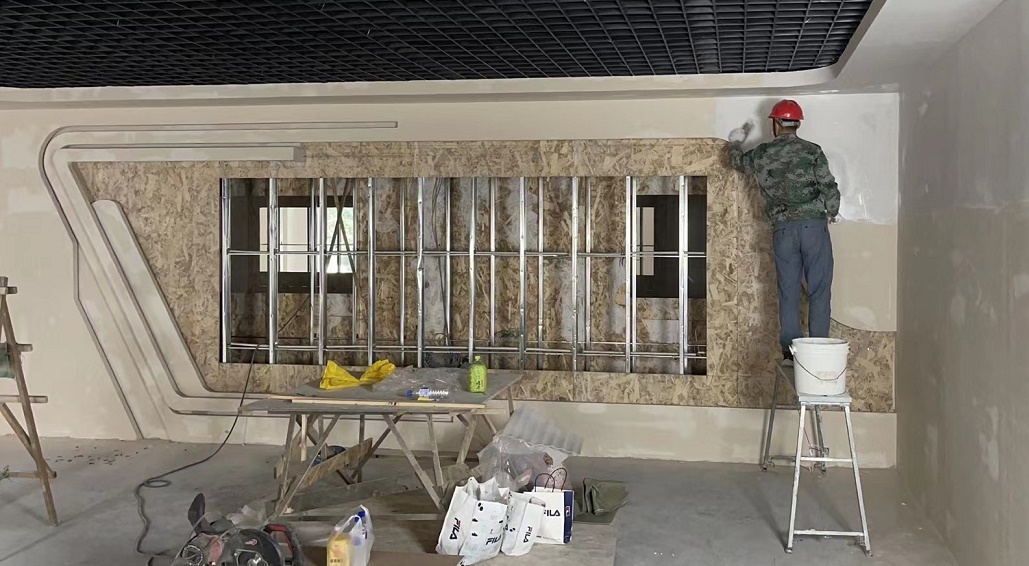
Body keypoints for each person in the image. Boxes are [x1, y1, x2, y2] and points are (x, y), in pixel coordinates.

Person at [727, 99, 841, 364]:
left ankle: (790, 352)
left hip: (783, 231)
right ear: (797, 123)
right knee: (819, 289)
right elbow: (829, 186)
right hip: (813, 227)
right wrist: (833, 211)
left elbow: (738, 163)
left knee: (788, 291)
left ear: (776, 124)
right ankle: (818, 349)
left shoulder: (763, 153)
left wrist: (735, 142)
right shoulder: (812, 151)